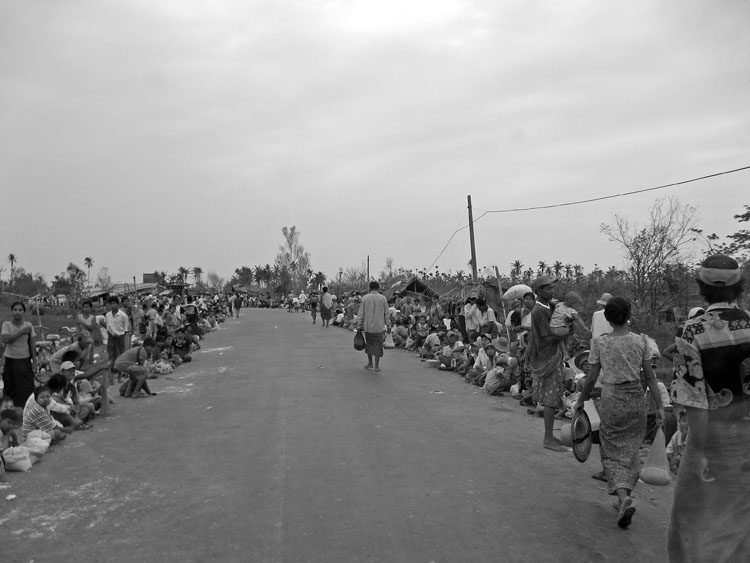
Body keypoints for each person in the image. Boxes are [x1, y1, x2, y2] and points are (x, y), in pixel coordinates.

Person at [668, 254, 750, 562]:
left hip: (715, 439)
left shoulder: (693, 331)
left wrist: (699, 452)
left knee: (692, 524)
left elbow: (695, 400)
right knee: (742, 525)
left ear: (702, 287)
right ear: (739, 286)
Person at [574, 296, 664, 529]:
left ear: (607, 318)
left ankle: (623, 498)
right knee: (632, 448)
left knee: (612, 450)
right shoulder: (641, 341)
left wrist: (580, 401)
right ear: (628, 315)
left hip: (612, 398)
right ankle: (625, 495)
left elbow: (592, 378)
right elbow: (650, 377)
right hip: (636, 398)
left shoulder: (600, 343)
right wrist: (660, 405)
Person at [525, 277, 569, 452]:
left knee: (552, 397)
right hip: (547, 357)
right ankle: (548, 438)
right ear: (539, 291)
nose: (552, 291)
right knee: (550, 400)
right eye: (548, 289)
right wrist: (565, 332)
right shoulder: (539, 311)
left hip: (551, 355)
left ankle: (550, 435)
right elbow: (547, 337)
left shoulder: (547, 307)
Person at [1, 301, 37, 407]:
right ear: (12, 311)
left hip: (24, 361)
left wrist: (35, 362)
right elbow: (6, 339)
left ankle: (26, 410)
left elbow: (32, 344)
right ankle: (8, 410)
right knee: (9, 387)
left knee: (26, 388)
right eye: (15, 310)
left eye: (20, 310)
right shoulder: (6, 324)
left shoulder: (29, 326)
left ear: (24, 312)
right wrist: (21, 332)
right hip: (10, 360)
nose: (17, 312)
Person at [357, 281, 391, 372]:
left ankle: (370, 363)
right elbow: (387, 313)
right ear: (378, 288)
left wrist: (359, 324)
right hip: (380, 327)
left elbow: (361, 313)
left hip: (369, 327)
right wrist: (389, 325)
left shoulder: (365, 298)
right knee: (378, 346)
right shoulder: (383, 298)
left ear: (370, 288)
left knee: (369, 345)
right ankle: (376, 366)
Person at [105, 296, 128, 373]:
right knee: (111, 353)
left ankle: (120, 369)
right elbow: (107, 326)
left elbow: (126, 329)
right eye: (110, 304)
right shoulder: (108, 315)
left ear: (118, 304)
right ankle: (112, 369)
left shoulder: (123, 315)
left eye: (114, 303)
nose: (112, 305)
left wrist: (121, 336)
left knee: (120, 353)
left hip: (120, 336)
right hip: (111, 336)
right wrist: (110, 333)